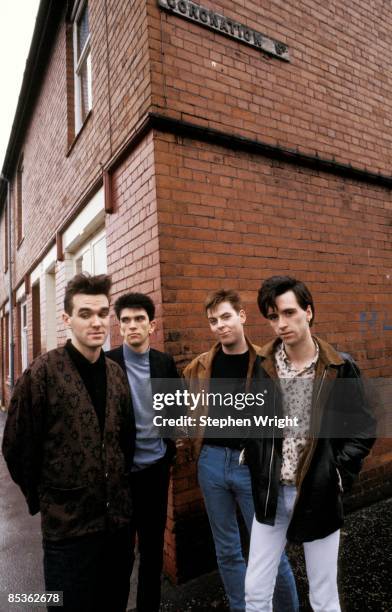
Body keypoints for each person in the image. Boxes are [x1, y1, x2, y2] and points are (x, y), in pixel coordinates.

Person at [2, 273, 135, 612]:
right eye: (85, 313)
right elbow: (16, 447)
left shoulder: (117, 374)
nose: (96, 322)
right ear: (67, 319)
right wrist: (47, 497)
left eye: (103, 313)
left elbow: (125, 440)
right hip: (68, 530)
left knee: (114, 603)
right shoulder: (42, 374)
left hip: (116, 525)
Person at [244, 275, 376, 612]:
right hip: (271, 493)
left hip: (317, 491)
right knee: (256, 592)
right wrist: (255, 455)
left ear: (309, 311)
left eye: (289, 313)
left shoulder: (339, 368)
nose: (281, 324)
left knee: (324, 597)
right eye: (273, 317)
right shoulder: (263, 366)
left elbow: (363, 426)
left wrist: (339, 472)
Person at [183, 289, 299, 612]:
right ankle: (241, 607)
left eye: (226, 317)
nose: (220, 325)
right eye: (213, 321)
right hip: (211, 463)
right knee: (228, 551)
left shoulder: (268, 364)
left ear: (242, 316)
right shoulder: (199, 366)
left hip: (253, 467)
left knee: (270, 553)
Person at [106, 292, 178, 612]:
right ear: (119, 327)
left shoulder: (164, 363)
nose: (132, 325)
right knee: (120, 555)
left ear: (152, 325)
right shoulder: (107, 364)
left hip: (156, 471)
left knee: (151, 552)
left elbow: (177, 410)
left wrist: (169, 447)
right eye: (126, 320)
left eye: (139, 319)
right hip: (121, 477)